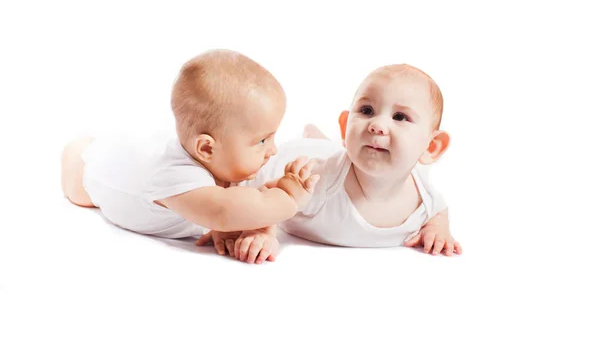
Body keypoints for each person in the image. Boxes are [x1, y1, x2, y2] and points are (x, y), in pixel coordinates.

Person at [61, 49, 319, 264]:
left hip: (144, 152)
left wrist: (261, 229)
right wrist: (289, 198)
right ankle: (77, 147)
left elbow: (253, 201)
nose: (272, 150)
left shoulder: (231, 162)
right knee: (78, 175)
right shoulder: (175, 176)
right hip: (101, 173)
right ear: (206, 149)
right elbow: (224, 211)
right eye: (262, 140)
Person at [198, 63, 462, 262]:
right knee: (235, 171)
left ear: (430, 147)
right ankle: (316, 140)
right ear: (346, 126)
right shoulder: (318, 180)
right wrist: (262, 230)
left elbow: (438, 209)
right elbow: (273, 192)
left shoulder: (421, 193)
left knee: (324, 149)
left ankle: (319, 138)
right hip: (290, 160)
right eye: (367, 111)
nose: (377, 125)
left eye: (400, 117)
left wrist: (438, 229)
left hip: (326, 152)